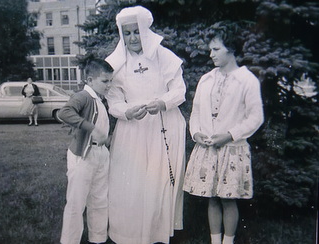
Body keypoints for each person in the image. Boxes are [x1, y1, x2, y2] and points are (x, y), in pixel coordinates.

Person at [105, 6, 186, 244]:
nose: (132, 38)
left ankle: (156, 232)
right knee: (130, 181)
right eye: (127, 33)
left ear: (145, 31)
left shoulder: (164, 56)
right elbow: (113, 100)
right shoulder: (116, 62)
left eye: (136, 32)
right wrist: (126, 112)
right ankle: (128, 234)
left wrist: (162, 102)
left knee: (157, 180)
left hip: (163, 125)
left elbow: (179, 90)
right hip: (132, 129)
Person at [183, 21, 264, 244]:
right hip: (208, 148)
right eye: (210, 49)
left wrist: (229, 134)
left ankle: (228, 242)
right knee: (212, 198)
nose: (211, 54)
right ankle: (214, 241)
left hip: (231, 149)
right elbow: (196, 112)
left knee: (228, 199)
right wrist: (197, 133)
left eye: (216, 49)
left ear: (231, 49)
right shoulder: (206, 80)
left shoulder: (247, 80)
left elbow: (256, 118)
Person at [59, 57, 113, 244]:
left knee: (99, 200)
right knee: (76, 202)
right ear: (90, 80)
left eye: (110, 81)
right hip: (83, 156)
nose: (109, 85)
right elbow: (64, 112)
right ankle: (69, 240)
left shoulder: (100, 100)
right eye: (105, 81)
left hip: (101, 155)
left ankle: (98, 239)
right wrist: (90, 128)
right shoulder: (83, 96)